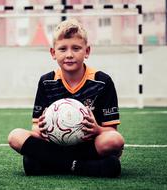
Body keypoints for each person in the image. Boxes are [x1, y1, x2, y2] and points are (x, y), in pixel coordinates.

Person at [8, 18, 124, 177]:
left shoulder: (102, 81)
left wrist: (97, 129)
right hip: (55, 144)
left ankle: (52, 164)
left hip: (89, 145)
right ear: (53, 53)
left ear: (87, 51)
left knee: (115, 140)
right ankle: (78, 166)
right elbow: (35, 127)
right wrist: (42, 128)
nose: (69, 54)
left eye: (76, 48)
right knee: (15, 136)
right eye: (63, 49)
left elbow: (111, 130)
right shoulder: (46, 82)